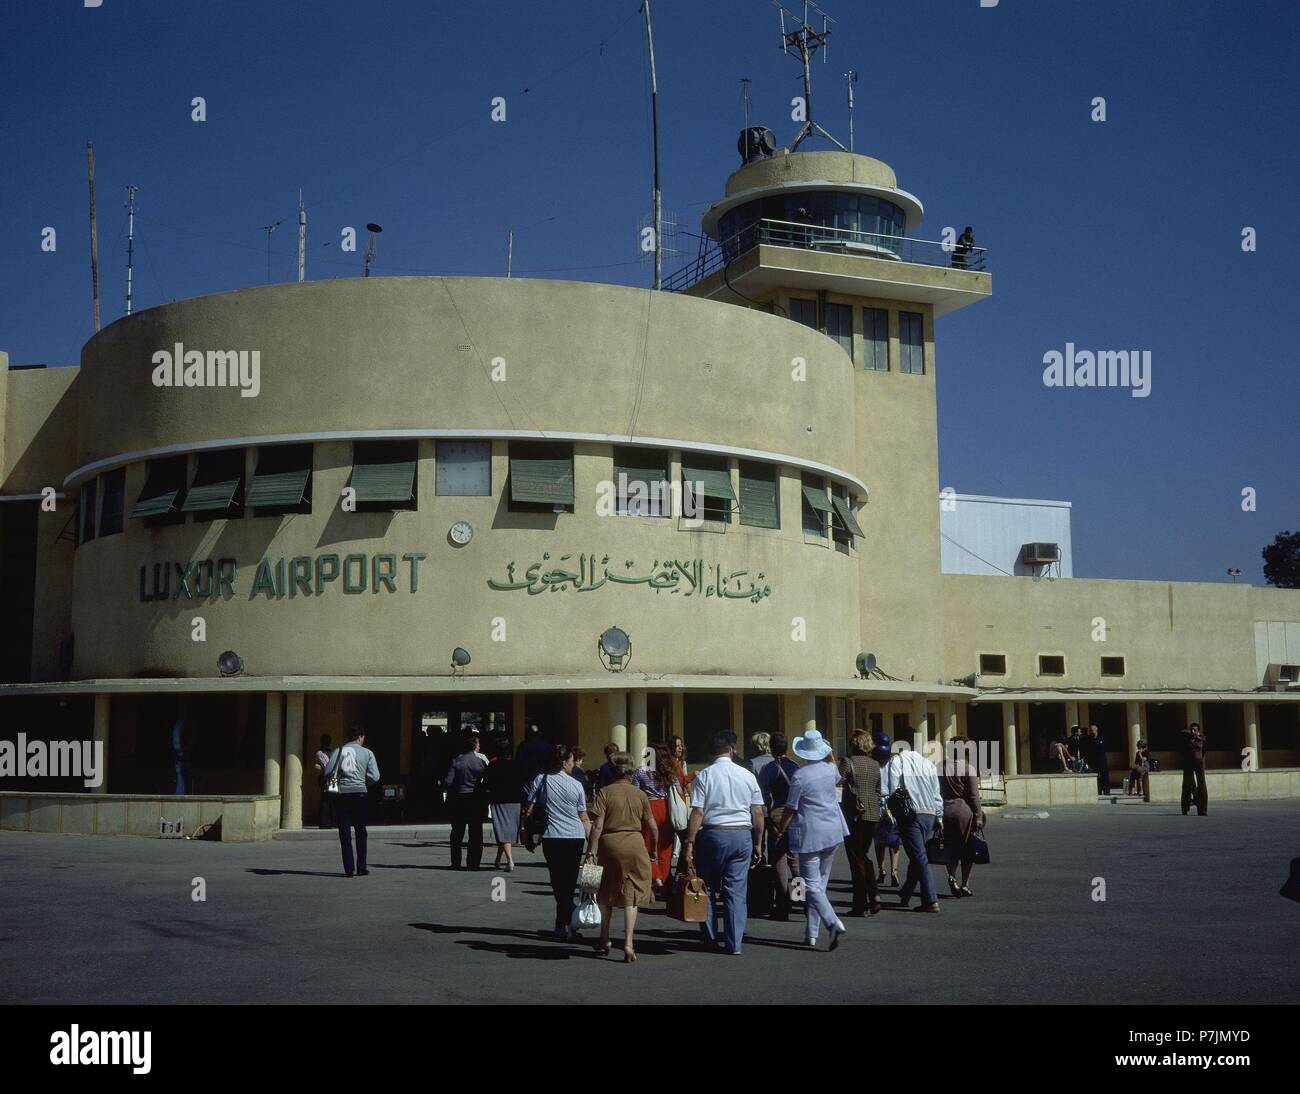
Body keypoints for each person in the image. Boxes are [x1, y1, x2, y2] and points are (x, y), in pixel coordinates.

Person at [683, 730, 764, 955]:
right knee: (736, 891)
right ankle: (734, 942)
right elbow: (757, 811)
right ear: (731, 749)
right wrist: (758, 842)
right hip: (741, 834)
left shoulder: (706, 776)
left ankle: (708, 937)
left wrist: (689, 842)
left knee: (706, 886)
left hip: (712, 833)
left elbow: (698, 811)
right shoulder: (747, 775)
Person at [772, 729, 849, 950]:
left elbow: (791, 807)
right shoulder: (830, 769)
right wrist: (829, 751)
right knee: (820, 885)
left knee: (811, 885)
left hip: (809, 834)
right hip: (832, 830)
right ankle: (811, 932)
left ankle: (832, 922)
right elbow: (837, 774)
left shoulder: (800, 775)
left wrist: (781, 829)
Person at [585, 751, 657, 961]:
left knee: (606, 892)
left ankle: (604, 937)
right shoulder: (640, 794)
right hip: (635, 842)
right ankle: (628, 944)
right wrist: (652, 849)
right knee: (631, 895)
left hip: (610, 843)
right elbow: (652, 826)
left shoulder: (605, 792)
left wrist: (591, 850)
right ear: (631, 771)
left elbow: (597, 826)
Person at [522, 744, 592, 941]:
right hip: (575, 837)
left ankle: (569, 921)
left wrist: (525, 832)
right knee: (569, 883)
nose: (573, 765)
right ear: (564, 762)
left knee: (558, 883)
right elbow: (584, 817)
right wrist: (592, 843)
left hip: (553, 836)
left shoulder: (540, 779)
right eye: (571, 761)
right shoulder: (577, 785)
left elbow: (528, 809)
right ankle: (565, 926)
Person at [880, 735, 944, 913]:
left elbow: (889, 789)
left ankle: (930, 900)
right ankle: (906, 892)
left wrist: (887, 812)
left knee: (919, 857)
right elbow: (936, 793)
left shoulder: (897, 761)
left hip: (910, 814)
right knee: (918, 854)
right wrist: (939, 818)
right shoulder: (928, 764)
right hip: (929, 813)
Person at [321, 725, 381, 877]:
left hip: (342, 794)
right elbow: (375, 776)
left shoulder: (338, 751)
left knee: (345, 831)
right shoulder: (368, 753)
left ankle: (349, 868)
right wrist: (363, 781)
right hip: (360, 793)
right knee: (361, 830)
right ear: (360, 737)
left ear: (348, 736)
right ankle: (362, 866)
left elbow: (328, 771)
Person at [756, 731, 801, 920]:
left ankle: (782, 905)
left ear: (771, 748)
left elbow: (763, 796)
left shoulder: (769, 769)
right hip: (796, 813)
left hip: (778, 813)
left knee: (779, 860)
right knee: (796, 860)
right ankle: (800, 898)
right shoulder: (796, 767)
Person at [840, 730, 883, 916]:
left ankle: (861, 903)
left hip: (855, 814)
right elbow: (879, 790)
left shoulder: (847, 762)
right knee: (864, 855)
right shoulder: (875, 765)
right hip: (873, 815)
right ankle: (874, 897)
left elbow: (837, 782)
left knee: (855, 859)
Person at [939, 735, 985, 898]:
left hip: (945, 810)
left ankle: (952, 876)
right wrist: (978, 816)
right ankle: (965, 884)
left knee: (950, 847)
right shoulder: (968, 768)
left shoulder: (941, 766)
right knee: (967, 848)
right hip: (963, 812)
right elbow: (973, 796)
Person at [631, 745, 676, 895]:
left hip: (648, 806)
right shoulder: (668, 771)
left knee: (647, 846)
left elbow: (636, 792)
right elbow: (678, 788)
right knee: (665, 849)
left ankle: (655, 875)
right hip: (666, 807)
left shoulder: (640, 771)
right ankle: (663, 882)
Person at [444, 734, 488, 870]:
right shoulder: (480, 762)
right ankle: (473, 863)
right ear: (475, 746)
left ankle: (456, 862)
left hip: (459, 799)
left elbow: (448, 781)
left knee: (457, 832)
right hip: (475, 799)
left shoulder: (456, 761)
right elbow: (487, 779)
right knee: (475, 833)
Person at [482, 736, 522, 872]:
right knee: (508, 830)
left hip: (499, 800)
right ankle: (498, 859)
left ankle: (510, 860)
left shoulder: (493, 765)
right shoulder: (516, 764)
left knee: (502, 829)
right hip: (515, 800)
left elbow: (486, 783)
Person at [871, 736, 901, 886]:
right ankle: (894, 871)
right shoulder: (892, 762)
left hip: (877, 802)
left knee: (879, 841)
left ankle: (881, 869)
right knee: (894, 842)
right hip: (891, 803)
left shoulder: (873, 762)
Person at [1180, 722, 1208, 816]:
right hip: (1188, 763)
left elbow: (1204, 751)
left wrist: (1198, 757)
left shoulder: (1202, 739)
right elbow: (1183, 748)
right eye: (1192, 729)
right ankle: (1185, 808)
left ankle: (1202, 810)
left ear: (1198, 731)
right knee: (1186, 784)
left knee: (1202, 784)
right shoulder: (1186, 739)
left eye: (1195, 730)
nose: (1193, 731)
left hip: (1199, 763)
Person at [514, 722, 551, 790]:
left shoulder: (523, 745)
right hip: (543, 779)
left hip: (528, 780)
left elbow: (518, 763)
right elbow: (550, 762)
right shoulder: (547, 745)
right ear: (540, 733)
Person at [313, 733, 334, 828]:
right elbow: (327, 765)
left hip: (333, 778)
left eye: (328, 742)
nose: (327, 744)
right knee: (325, 800)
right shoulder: (320, 753)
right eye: (326, 742)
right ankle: (324, 823)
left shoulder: (331, 752)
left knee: (332, 800)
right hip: (325, 778)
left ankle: (333, 822)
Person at [1088, 724, 1111, 794]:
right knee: (1096, 775)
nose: (1092, 731)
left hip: (1102, 759)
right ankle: (1098, 790)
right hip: (1094, 760)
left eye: (1093, 729)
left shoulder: (1102, 738)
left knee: (1104, 775)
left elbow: (1107, 746)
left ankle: (1106, 790)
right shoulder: (1090, 739)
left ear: (1096, 729)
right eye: (1091, 730)